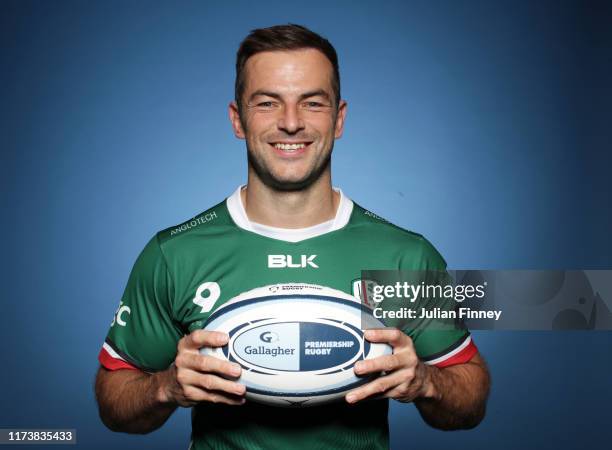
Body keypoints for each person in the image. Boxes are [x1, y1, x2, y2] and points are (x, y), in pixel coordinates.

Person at [95, 24, 490, 450]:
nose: (290, 123)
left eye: (312, 103)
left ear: (338, 119)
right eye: (267, 103)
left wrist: (427, 382)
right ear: (238, 119)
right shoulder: (174, 253)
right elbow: (113, 403)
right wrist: (164, 388)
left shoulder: (403, 256)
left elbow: (471, 399)